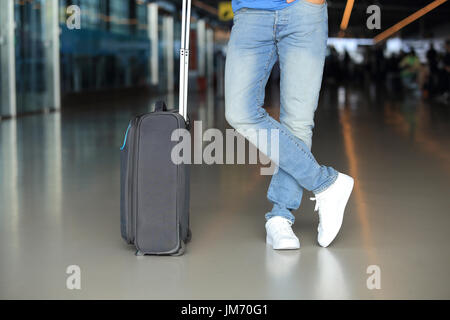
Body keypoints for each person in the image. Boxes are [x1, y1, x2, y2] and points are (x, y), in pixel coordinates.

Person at [225, 0, 354, 249]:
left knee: (298, 120)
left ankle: (281, 217)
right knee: (240, 111)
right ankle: (325, 182)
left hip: (304, 10)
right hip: (251, 10)